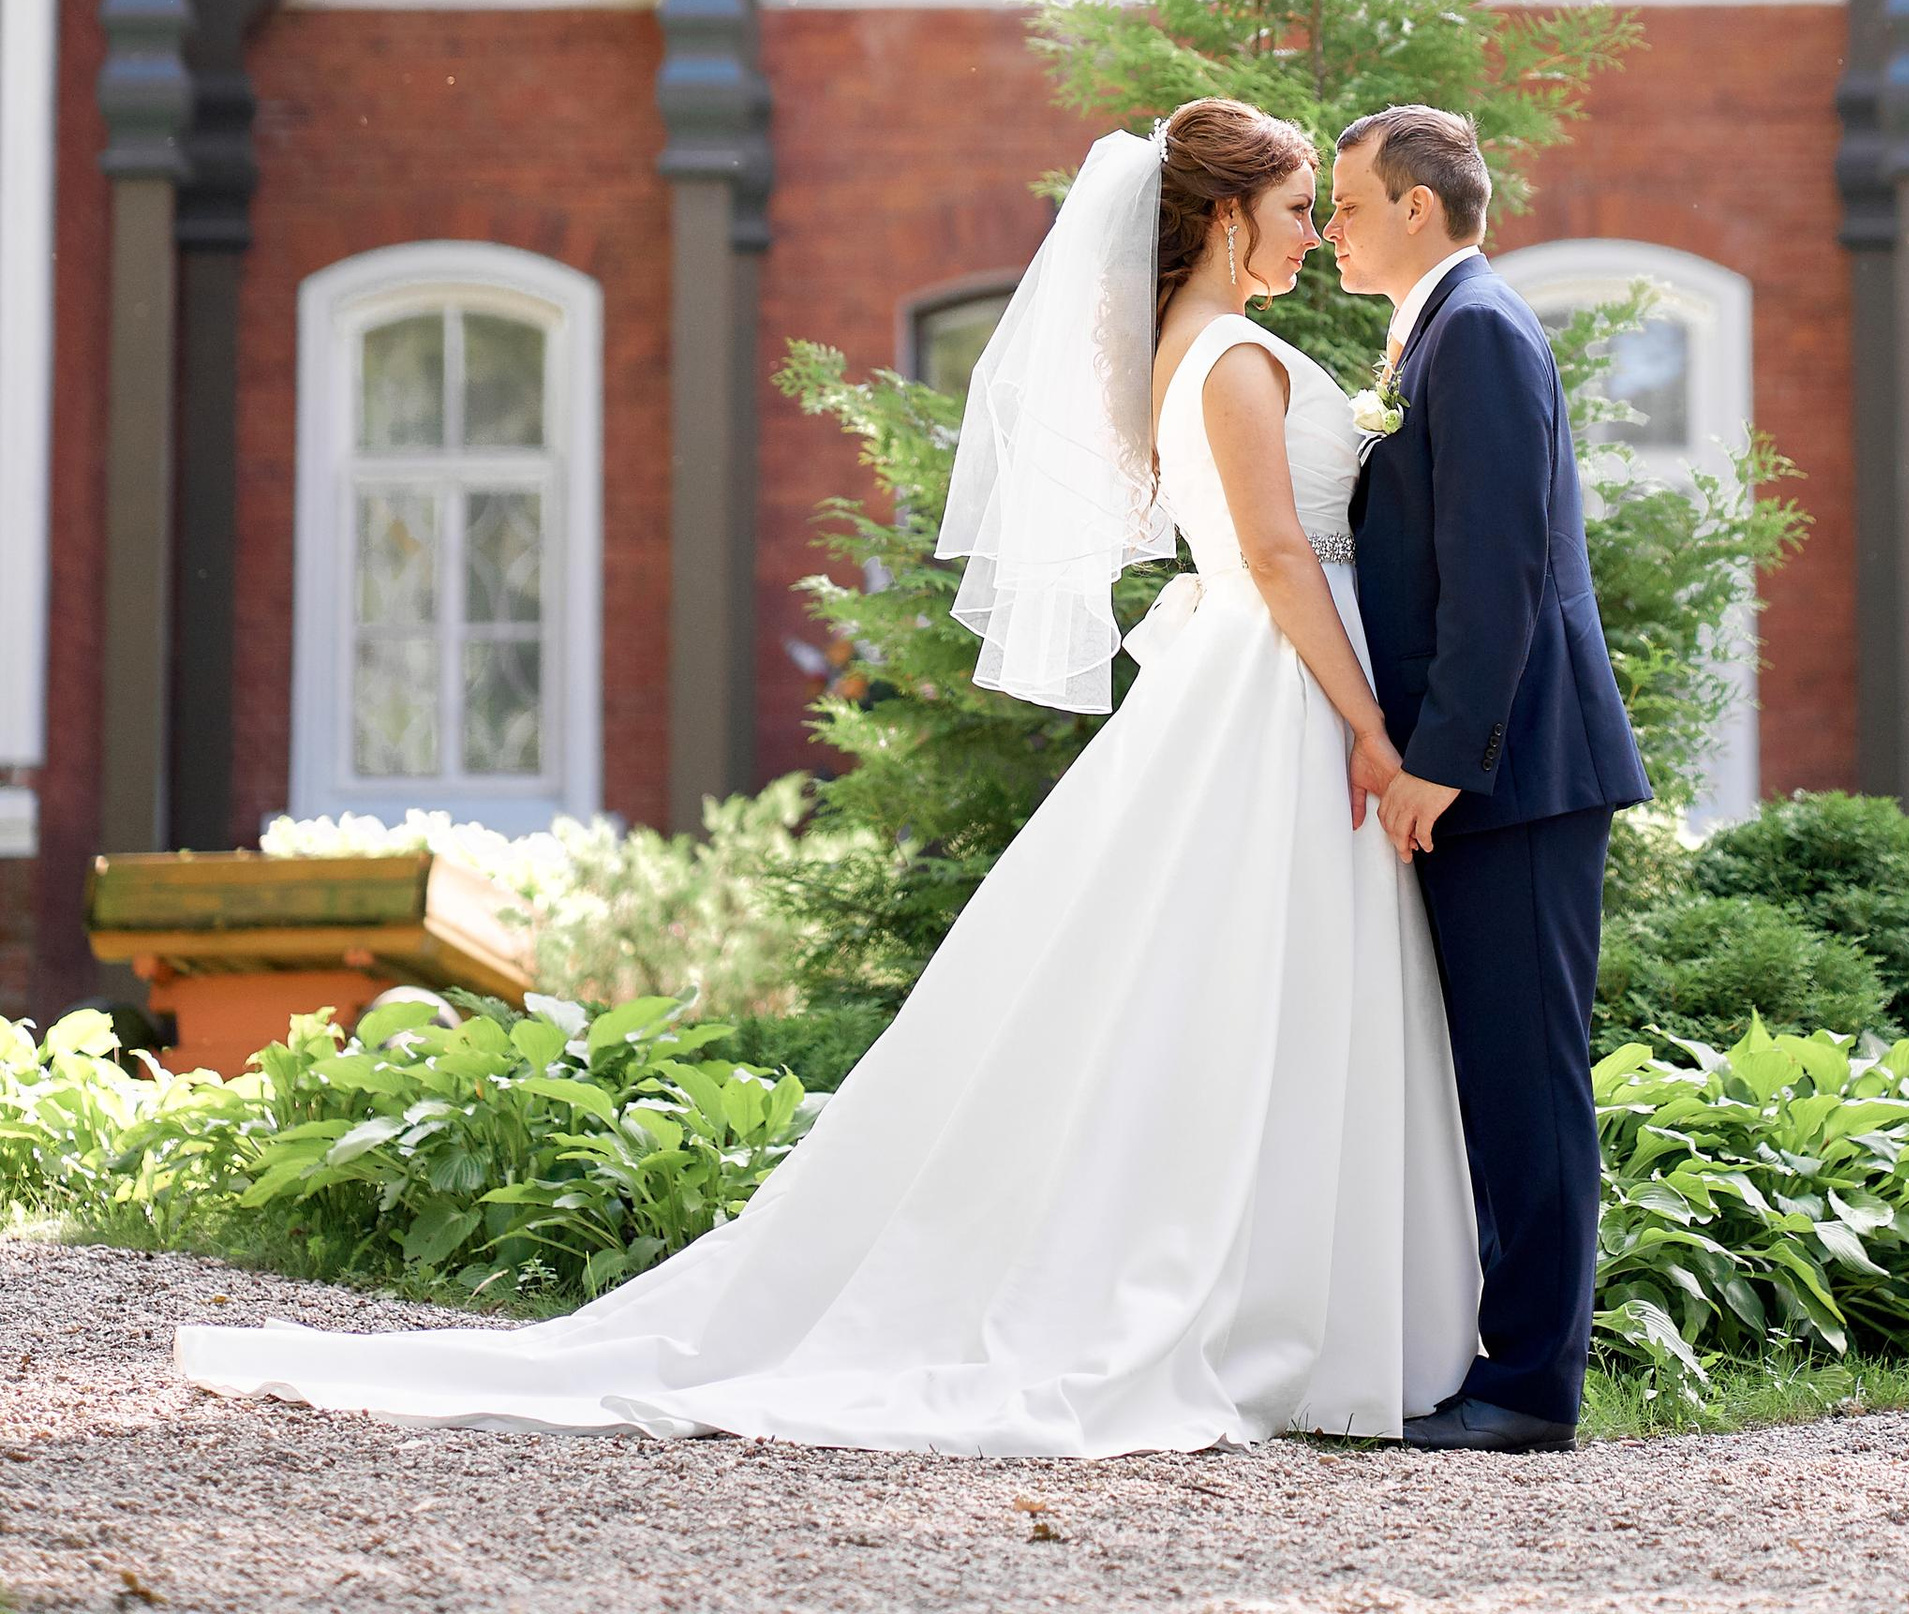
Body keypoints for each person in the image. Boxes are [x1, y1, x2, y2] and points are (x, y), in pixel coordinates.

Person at [177, 101, 1479, 1457]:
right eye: (1288, 208)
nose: (1307, 231)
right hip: (1282, 687)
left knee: (1234, 991)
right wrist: (1372, 729)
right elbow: (1275, 555)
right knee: (1253, 987)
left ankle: (1300, 1300)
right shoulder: (1229, 359)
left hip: (1250, 680)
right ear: (1224, 215)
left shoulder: (1185, 349)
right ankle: (1278, 1302)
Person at [1332, 105, 1651, 1452]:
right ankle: (1502, 1358)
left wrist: (1439, 765)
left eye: (1348, 200)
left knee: (1529, 1077)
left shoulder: (1482, 334)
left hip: (1516, 772)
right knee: (1497, 1074)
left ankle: (1529, 1385)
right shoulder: (1434, 332)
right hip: (1487, 774)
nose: (1334, 223)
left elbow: (1501, 575)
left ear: (1417, 205)